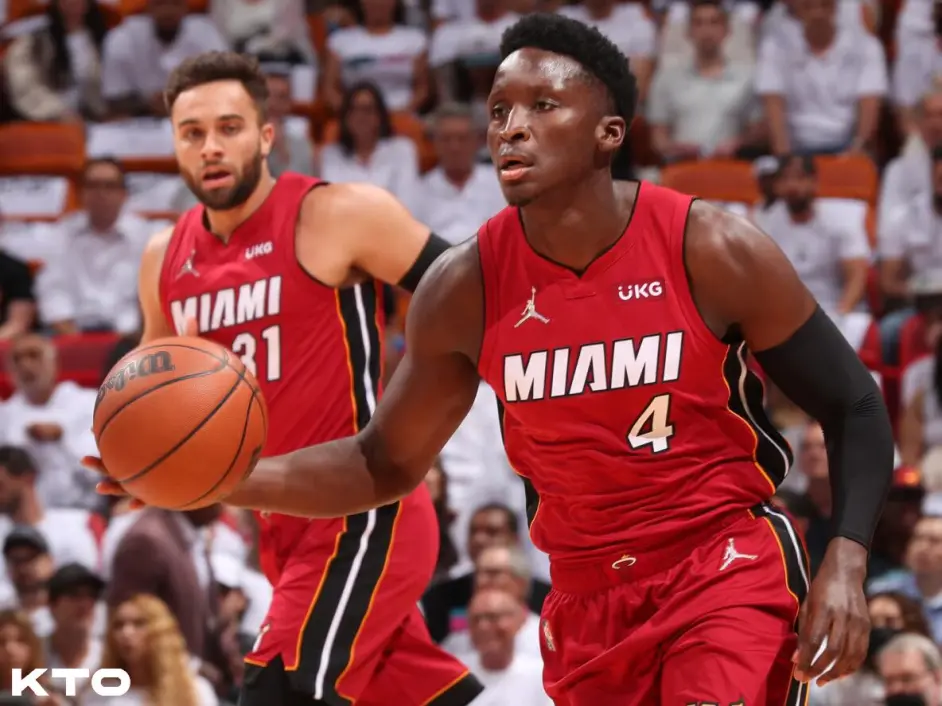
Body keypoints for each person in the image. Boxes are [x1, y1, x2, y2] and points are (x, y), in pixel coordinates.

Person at [93, 15, 895, 706]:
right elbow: (381, 462)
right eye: (500, 110)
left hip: (721, 569)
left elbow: (854, 403)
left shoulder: (710, 247)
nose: (511, 126)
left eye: (543, 106)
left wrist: (848, 556)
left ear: (608, 134)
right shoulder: (464, 287)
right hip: (584, 601)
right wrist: (221, 478)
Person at [93, 51, 482, 706]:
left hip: (363, 509)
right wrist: (136, 461)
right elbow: (153, 406)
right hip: (277, 527)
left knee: (278, 689)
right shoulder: (163, 258)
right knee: (412, 692)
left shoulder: (337, 214)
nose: (211, 147)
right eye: (192, 133)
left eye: (229, 127)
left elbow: (474, 297)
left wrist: (429, 411)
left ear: (267, 135)